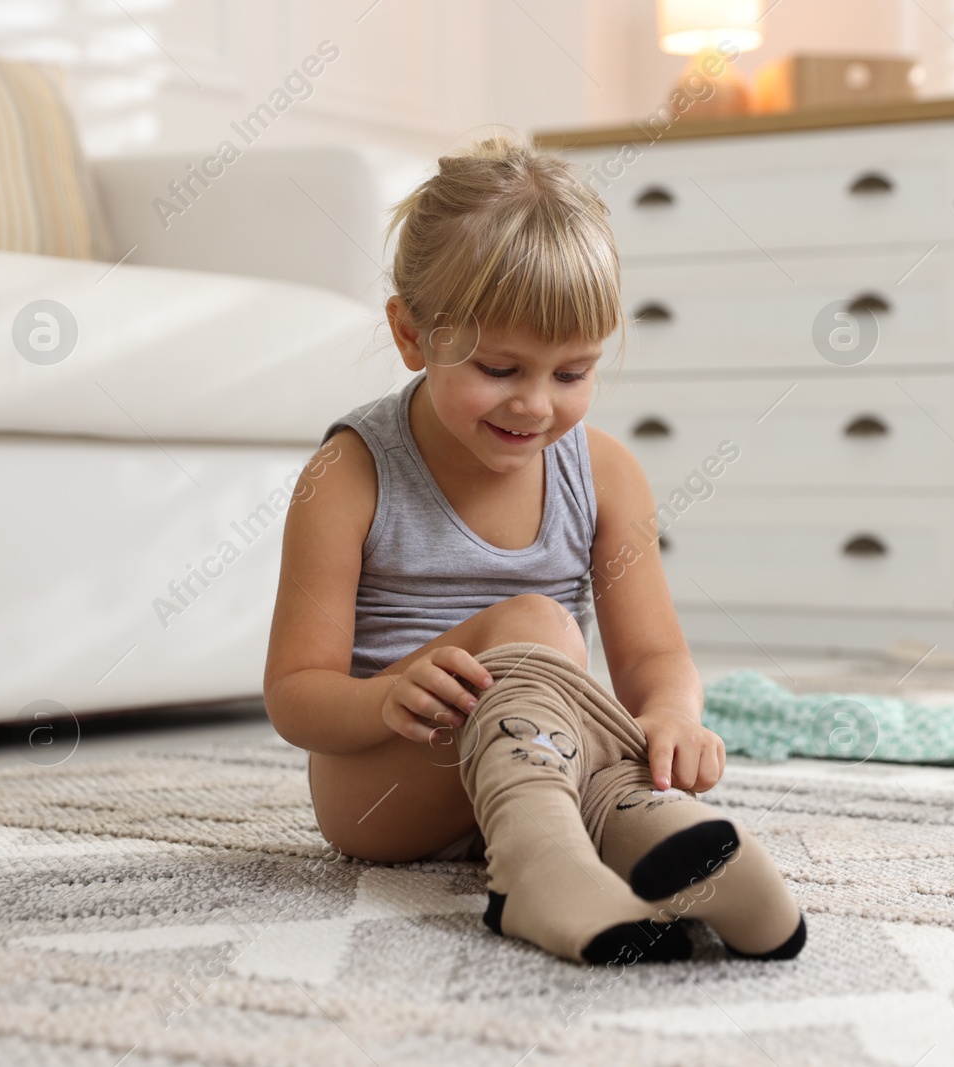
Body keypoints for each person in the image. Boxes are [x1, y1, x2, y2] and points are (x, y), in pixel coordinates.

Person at [263, 133, 804, 967]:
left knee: (596, 715)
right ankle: (538, 870)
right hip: (385, 788)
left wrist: (669, 718)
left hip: (543, 757)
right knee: (540, 624)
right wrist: (386, 697)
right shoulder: (349, 471)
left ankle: (657, 840)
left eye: (571, 372)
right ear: (412, 335)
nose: (535, 404)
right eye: (500, 366)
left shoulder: (607, 474)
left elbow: (657, 655)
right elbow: (295, 695)